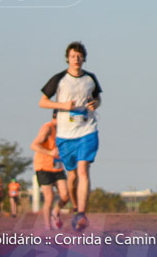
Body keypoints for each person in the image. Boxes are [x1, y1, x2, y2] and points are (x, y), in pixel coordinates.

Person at [39, 41, 102, 231]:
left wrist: (95, 104)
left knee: (83, 170)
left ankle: (81, 214)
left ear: (84, 58)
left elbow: (98, 97)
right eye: (73, 56)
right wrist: (62, 106)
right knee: (72, 176)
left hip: (87, 130)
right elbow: (42, 102)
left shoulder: (91, 78)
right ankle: (75, 208)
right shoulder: (59, 79)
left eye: (80, 56)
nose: (76, 59)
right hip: (65, 135)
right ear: (68, 58)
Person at [31, 111, 70, 230]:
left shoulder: (64, 130)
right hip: (43, 166)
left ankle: (55, 213)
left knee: (65, 195)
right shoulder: (47, 128)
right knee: (49, 198)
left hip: (57, 167)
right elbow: (34, 145)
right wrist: (49, 152)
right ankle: (48, 226)